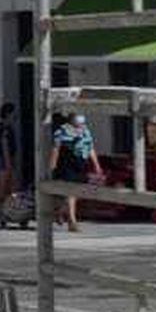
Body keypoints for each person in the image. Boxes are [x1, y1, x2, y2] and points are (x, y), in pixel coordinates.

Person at [49, 96, 100, 232]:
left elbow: (90, 148)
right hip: (67, 164)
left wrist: (96, 165)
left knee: (77, 192)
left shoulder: (85, 131)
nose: (80, 119)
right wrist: (52, 166)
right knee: (71, 193)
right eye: (78, 116)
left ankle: (59, 211)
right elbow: (56, 149)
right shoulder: (62, 131)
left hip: (81, 164)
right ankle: (72, 221)